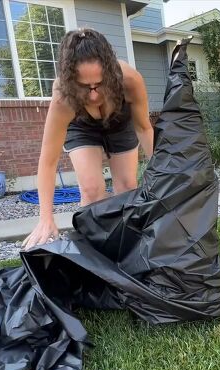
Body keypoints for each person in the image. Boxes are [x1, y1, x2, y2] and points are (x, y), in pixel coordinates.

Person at [22, 28, 154, 250]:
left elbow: (144, 128)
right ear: (71, 81)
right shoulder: (63, 97)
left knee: (127, 185)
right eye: (84, 87)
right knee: (91, 189)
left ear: (110, 74)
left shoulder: (130, 80)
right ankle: (93, 250)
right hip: (82, 126)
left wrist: (166, 174)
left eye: (99, 84)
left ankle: (127, 247)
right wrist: (45, 218)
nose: (93, 95)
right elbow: (48, 160)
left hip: (119, 122)